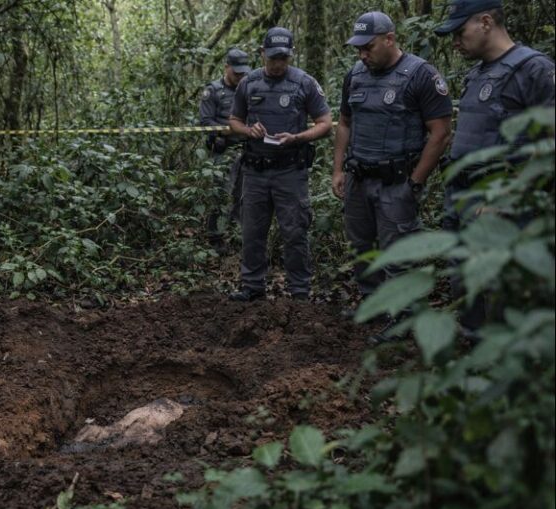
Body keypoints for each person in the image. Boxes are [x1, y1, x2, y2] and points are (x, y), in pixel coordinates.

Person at [434, 0, 555, 335]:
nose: (455, 42)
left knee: (504, 288)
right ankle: (473, 352)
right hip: (462, 196)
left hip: (502, 203)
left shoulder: (534, 69)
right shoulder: (477, 74)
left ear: (486, 22)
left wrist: (506, 197)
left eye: (460, 32)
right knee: (464, 280)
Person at [331, 11, 453, 343]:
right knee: (362, 248)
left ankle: (403, 319)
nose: (362, 54)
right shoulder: (355, 75)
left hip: (396, 182)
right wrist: (339, 169)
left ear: (390, 39)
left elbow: (440, 133)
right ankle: (372, 304)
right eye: (357, 48)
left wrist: (415, 181)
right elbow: (344, 122)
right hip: (359, 178)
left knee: (397, 253)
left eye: (367, 47)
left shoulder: (420, 75)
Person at [228, 27, 333, 302]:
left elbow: (325, 124)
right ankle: (252, 288)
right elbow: (233, 121)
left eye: (283, 58)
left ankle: (299, 292)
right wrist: (247, 130)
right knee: (252, 232)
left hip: (290, 171)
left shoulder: (304, 83)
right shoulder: (248, 83)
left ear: (290, 55)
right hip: (255, 172)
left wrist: (298, 137)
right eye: (273, 58)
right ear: (262, 53)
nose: (277, 64)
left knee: (295, 232)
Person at [199, 48, 251, 256]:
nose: (239, 76)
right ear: (226, 67)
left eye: (242, 73)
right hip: (223, 151)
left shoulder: (248, 88)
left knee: (243, 194)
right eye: (236, 72)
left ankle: (238, 234)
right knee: (221, 194)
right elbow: (205, 122)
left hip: (246, 150)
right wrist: (223, 132)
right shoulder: (213, 91)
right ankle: (215, 236)